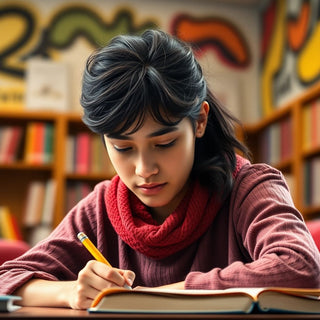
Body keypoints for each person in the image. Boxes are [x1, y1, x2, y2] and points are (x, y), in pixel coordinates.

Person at [0, 29, 319, 310]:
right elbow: (6, 277)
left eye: (164, 143)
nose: (144, 169)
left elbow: (301, 265)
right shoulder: (102, 208)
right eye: (123, 148)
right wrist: (69, 292)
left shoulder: (249, 187)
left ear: (200, 121)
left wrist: (158, 297)